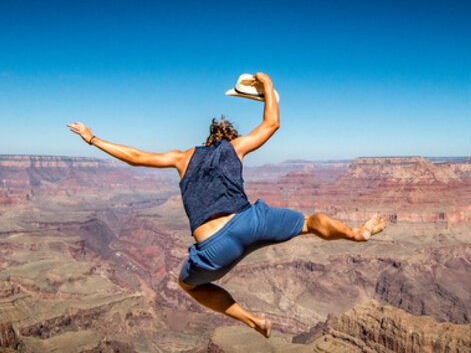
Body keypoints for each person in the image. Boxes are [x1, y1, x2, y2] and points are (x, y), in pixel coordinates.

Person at [66, 72, 386, 338]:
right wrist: (267, 82)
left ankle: (254, 321)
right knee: (310, 221)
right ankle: (356, 233)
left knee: (188, 285)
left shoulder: (182, 158)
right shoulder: (235, 147)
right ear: (228, 137)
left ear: (207, 140)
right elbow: (272, 123)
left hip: (214, 247)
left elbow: (136, 157)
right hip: (251, 222)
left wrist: (92, 139)